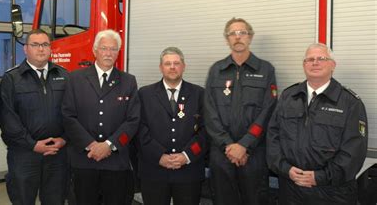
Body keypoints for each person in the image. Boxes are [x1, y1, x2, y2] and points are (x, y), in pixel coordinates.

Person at [267, 43, 368, 205]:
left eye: (321, 58)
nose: (315, 63)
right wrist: (285, 169)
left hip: (332, 192)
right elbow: (273, 137)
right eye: (310, 59)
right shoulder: (288, 97)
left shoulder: (350, 102)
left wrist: (319, 177)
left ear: (332, 65)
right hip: (290, 189)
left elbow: (354, 152)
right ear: (304, 65)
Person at [204, 17, 277, 205]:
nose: (238, 37)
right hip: (222, 153)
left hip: (253, 153)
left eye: (242, 33)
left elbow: (268, 112)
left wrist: (244, 145)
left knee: (255, 200)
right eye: (232, 33)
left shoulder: (266, 69)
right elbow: (209, 112)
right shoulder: (216, 70)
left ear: (250, 37)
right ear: (227, 39)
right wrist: (228, 146)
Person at [62, 29, 140, 205]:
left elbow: (133, 120)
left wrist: (109, 145)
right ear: (94, 50)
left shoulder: (128, 81)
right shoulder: (75, 78)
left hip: (116, 162)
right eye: (104, 48)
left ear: (118, 53)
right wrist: (91, 145)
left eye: (113, 49)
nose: (108, 53)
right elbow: (68, 116)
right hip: (85, 160)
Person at [0, 29, 69, 205]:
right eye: (35, 45)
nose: (41, 49)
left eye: (45, 44)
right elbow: (7, 118)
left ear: (50, 48)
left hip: (57, 154)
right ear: (26, 49)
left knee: (56, 201)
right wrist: (33, 145)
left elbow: (72, 112)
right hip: (24, 155)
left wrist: (65, 139)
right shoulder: (11, 79)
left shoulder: (64, 75)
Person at [137, 47, 207, 205]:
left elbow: (205, 131)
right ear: (161, 67)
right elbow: (140, 130)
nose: (172, 67)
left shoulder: (199, 94)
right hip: (154, 171)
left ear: (184, 66)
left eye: (176, 63)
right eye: (167, 63)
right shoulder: (144, 94)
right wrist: (159, 156)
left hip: (189, 172)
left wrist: (187, 155)